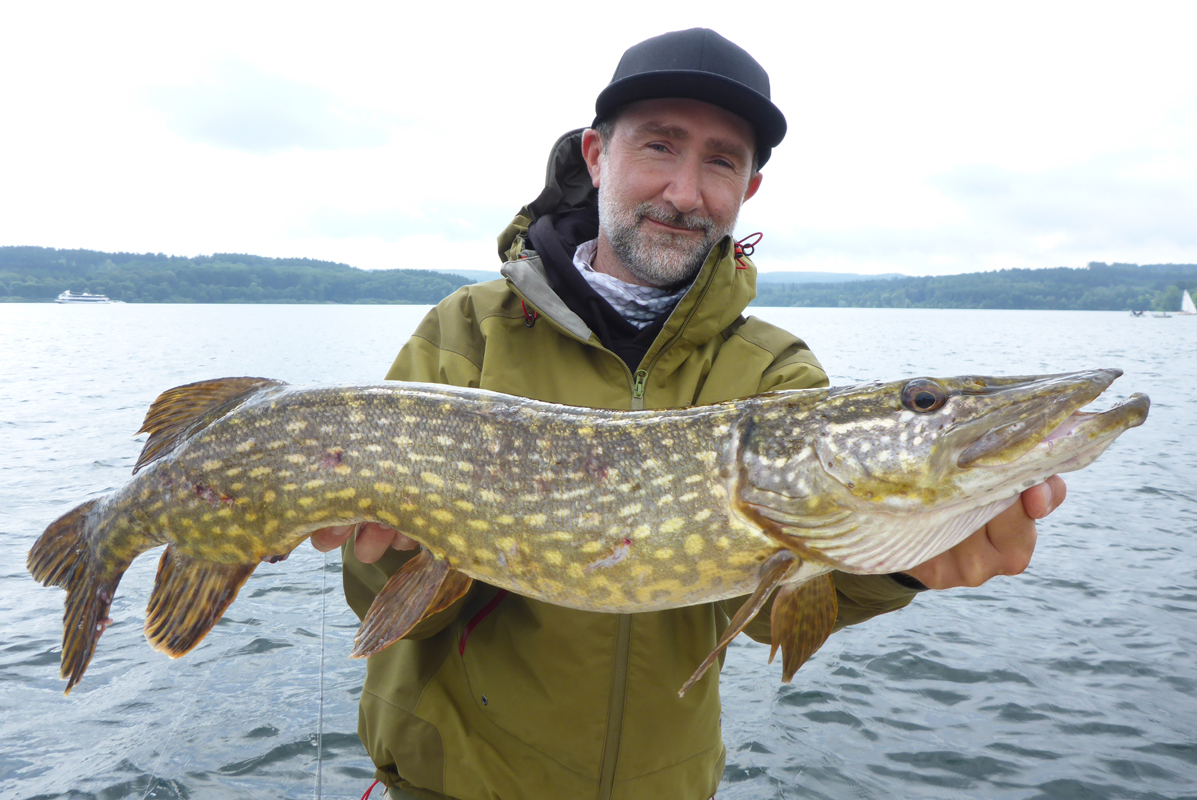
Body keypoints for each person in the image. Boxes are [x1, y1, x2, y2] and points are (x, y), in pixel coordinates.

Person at [311, 28, 1066, 800]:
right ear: (597, 155)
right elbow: (386, 608)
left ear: (748, 190)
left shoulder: (775, 374)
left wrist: (903, 559)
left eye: (720, 161)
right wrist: (395, 556)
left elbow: (779, 611)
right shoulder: (465, 334)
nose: (683, 192)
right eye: (660, 147)